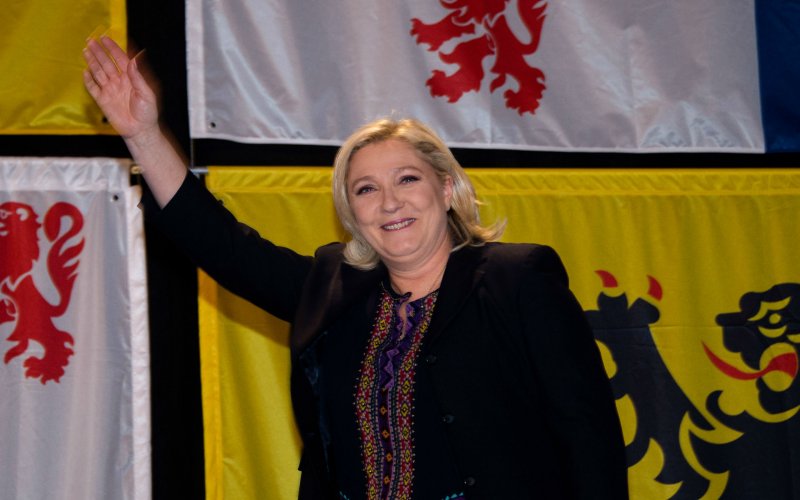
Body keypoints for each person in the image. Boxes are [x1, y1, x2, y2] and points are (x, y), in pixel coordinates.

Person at [83, 36, 628, 499]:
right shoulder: (332, 288)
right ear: (352, 213)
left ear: (446, 188)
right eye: (366, 189)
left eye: (407, 179)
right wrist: (143, 136)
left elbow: (589, 437)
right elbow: (223, 246)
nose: (389, 202)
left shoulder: (518, 277)